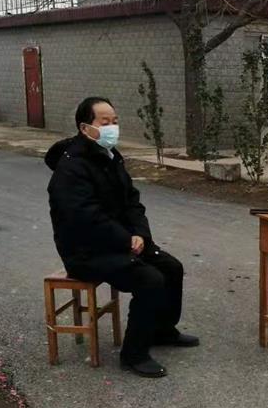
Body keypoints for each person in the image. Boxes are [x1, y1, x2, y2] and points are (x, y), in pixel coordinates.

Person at [45, 97, 198, 377]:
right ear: (85, 128)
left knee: (171, 267)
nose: (112, 127)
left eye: (115, 121)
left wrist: (140, 234)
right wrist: (126, 240)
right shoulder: (71, 169)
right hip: (86, 251)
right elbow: (85, 218)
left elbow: (132, 203)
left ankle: (162, 330)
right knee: (150, 280)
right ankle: (134, 354)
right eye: (105, 122)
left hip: (120, 242)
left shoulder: (110, 157)